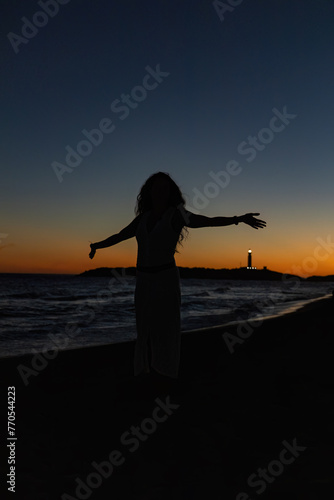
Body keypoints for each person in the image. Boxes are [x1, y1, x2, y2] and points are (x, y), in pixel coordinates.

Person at [89, 172, 266, 386]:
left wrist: (238, 219)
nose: (160, 192)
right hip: (143, 279)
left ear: (170, 192)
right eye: (156, 187)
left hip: (165, 278)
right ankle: (143, 371)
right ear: (149, 191)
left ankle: (165, 375)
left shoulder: (176, 215)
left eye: (165, 188)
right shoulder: (143, 218)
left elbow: (207, 221)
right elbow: (119, 235)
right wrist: (97, 245)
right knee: (144, 326)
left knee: (166, 327)